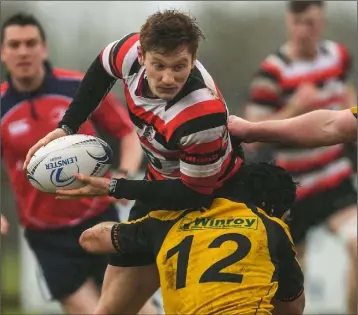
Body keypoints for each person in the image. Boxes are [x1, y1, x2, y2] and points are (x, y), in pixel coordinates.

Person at [23, 10, 245, 314]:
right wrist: (67, 127)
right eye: (159, 66)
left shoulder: (201, 114)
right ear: (142, 55)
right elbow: (102, 67)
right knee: (111, 310)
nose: (168, 78)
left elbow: (193, 193)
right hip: (159, 189)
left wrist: (113, 186)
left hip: (214, 200)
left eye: (179, 67)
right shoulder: (129, 54)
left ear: (194, 59)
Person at [0, 13, 151, 315]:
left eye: (31, 43)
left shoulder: (78, 88)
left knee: (139, 311)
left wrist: (123, 174)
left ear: (44, 48)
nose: (23, 52)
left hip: (100, 217)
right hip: (47, 236)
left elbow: (127, 132)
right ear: (3, 53)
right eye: (14, 45)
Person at [242, 1, 357, 313]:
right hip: (294, 189)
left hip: (334, 178)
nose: (305, 31)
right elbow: (253, 131)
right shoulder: (271, 72)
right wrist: (295, 109)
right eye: (298, 23)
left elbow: (346, 95)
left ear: (323, 22)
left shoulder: (337, 56)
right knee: (292, 282)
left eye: (312, 23)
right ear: (287, 22)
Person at [78, 162, 305, 315]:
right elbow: (293, 308)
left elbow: (90, 239)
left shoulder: (168, 223)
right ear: (269, 207)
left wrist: (131, 230)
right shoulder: (271, 227)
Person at [228, 106, 357, 146]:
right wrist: (252, 129)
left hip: (338, 178)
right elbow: (332, 125)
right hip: (299, 181)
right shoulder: (272, 71)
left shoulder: (336, 56)